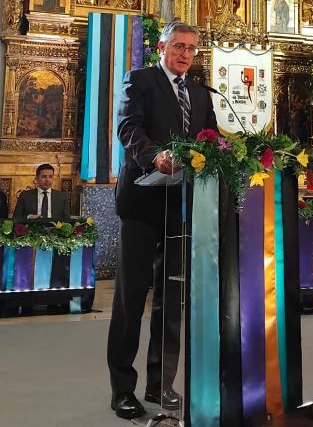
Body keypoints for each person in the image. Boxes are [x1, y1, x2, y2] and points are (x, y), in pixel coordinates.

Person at [107, 21, 217, 420]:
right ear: (161, 47)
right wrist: (154, 156)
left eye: (191, 48)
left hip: (182, 210)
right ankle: (122, 389)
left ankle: (160, 382)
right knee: (131, 300)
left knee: (171, 303)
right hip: (141, 204)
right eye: (178, 46)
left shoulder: (202, 93)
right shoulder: (141, 80)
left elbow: (212, 141)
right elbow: (128, 128)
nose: (185, 54)